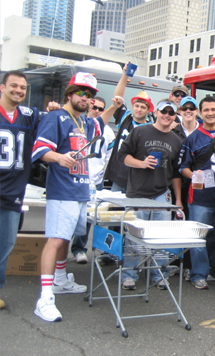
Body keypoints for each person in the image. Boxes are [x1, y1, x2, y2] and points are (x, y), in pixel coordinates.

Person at [31, 72, 122, 322]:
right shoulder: (56, 117)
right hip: (62, 191)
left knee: (65, 238)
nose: (86, 98)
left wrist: (122, 83)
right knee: (55, 239)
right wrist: (58, 157)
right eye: (81, 92)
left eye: (90, 95)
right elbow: (40, 149)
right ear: (69, 93)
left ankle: (60, 280)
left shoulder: (84, 122)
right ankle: (45, 297)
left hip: (81, 191)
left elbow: (105, 117)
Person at [118, 99, 183, 290]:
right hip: (137, 193)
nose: (167, 115)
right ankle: (129, 275)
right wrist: (142, 163)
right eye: (164, 111)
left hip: (162, 194)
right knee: (133, 236)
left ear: (174, 116)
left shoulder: (176, 140)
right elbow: (122, 156)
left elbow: (176, 173)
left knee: (160, 237)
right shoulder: (139, 131)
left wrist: (178, 199)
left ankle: (159, 274)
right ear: (156, 112)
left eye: (171, 113)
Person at [0, 71, 44, 310]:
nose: (18, 90)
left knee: (5, 244)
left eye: (23, 88)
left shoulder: (28, 115)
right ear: (2, 87)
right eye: (14, 86)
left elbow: (54, 120)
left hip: (13, 189)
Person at [179, 96, 215, 289]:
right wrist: (194, 175)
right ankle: (198, 274)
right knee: (199, 236)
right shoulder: (192, 138)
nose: (210, 113)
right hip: (200, 197)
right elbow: (182, 167)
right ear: (201, 113)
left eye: (213, 109)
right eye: (206, 110)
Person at [70, 97, 115, 264]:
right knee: (71, 217)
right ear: (88, 107)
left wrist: (100, 178)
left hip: (95, 181)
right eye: (94, 107)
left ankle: (81, 248)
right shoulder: (77, 124)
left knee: (90, 218)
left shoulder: (108, 132)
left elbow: (108, 157)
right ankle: (68, 249)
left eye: (101, 109)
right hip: (75, 179)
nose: (97, 110)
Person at [105, 63, 155, 194]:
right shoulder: (125, 119)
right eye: (137, 106)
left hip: (136, 177)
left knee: (131, 212)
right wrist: (125, 75)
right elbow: (118, 99)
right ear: (132, 106)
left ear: (148, 110)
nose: (139, 109)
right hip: (118, 174)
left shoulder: (151, 129)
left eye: (143, 107)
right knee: (114, 209)